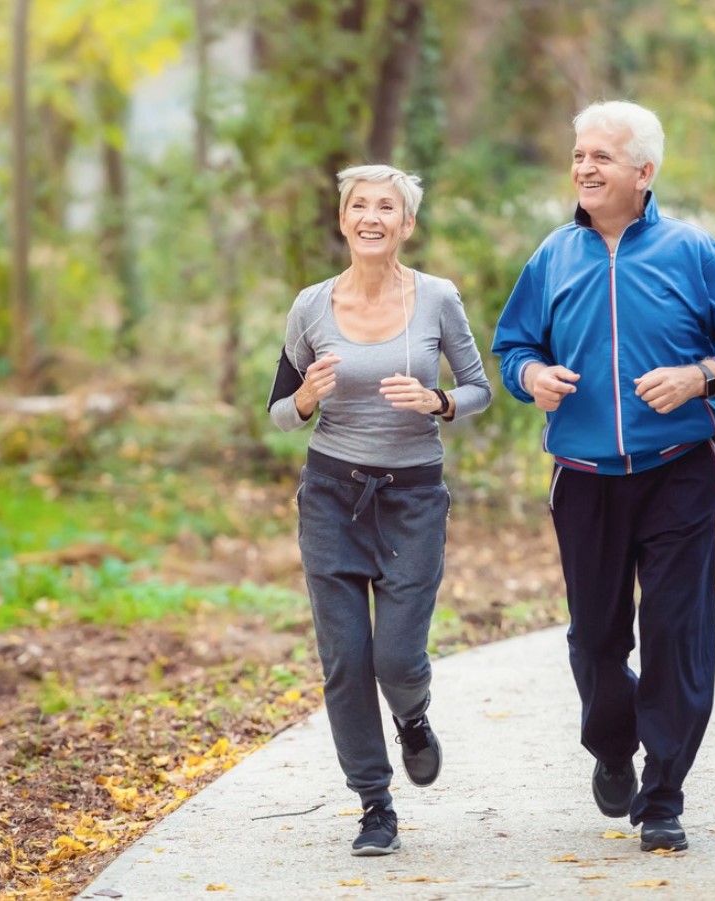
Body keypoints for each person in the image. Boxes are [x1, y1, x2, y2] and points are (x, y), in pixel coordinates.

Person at [492, 101, 715, 853]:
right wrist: (531, 375)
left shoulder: (692, 252)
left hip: (678, 470)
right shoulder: (552, 255)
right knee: (594, 639)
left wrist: (701, 376)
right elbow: (512, 344)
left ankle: (663, 794)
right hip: (583, 475)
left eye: (602, 157)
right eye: (578, 154)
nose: (584, 167)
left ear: (643, 172)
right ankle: (613, 745)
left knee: (673, 632)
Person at [269, 164, 492, 856]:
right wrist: (305, 396)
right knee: (344, 657)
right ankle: (373, 802)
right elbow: (279, 414)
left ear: (406, 223)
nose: (371, 216)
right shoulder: (310, 305)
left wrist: (441, 402)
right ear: (342, 220)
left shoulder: (436, 298)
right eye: (358, 205)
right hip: (332, 494)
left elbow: (479, 386)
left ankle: (413, 716)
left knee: (395, 657)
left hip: (412, 497)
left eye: (386, 207)